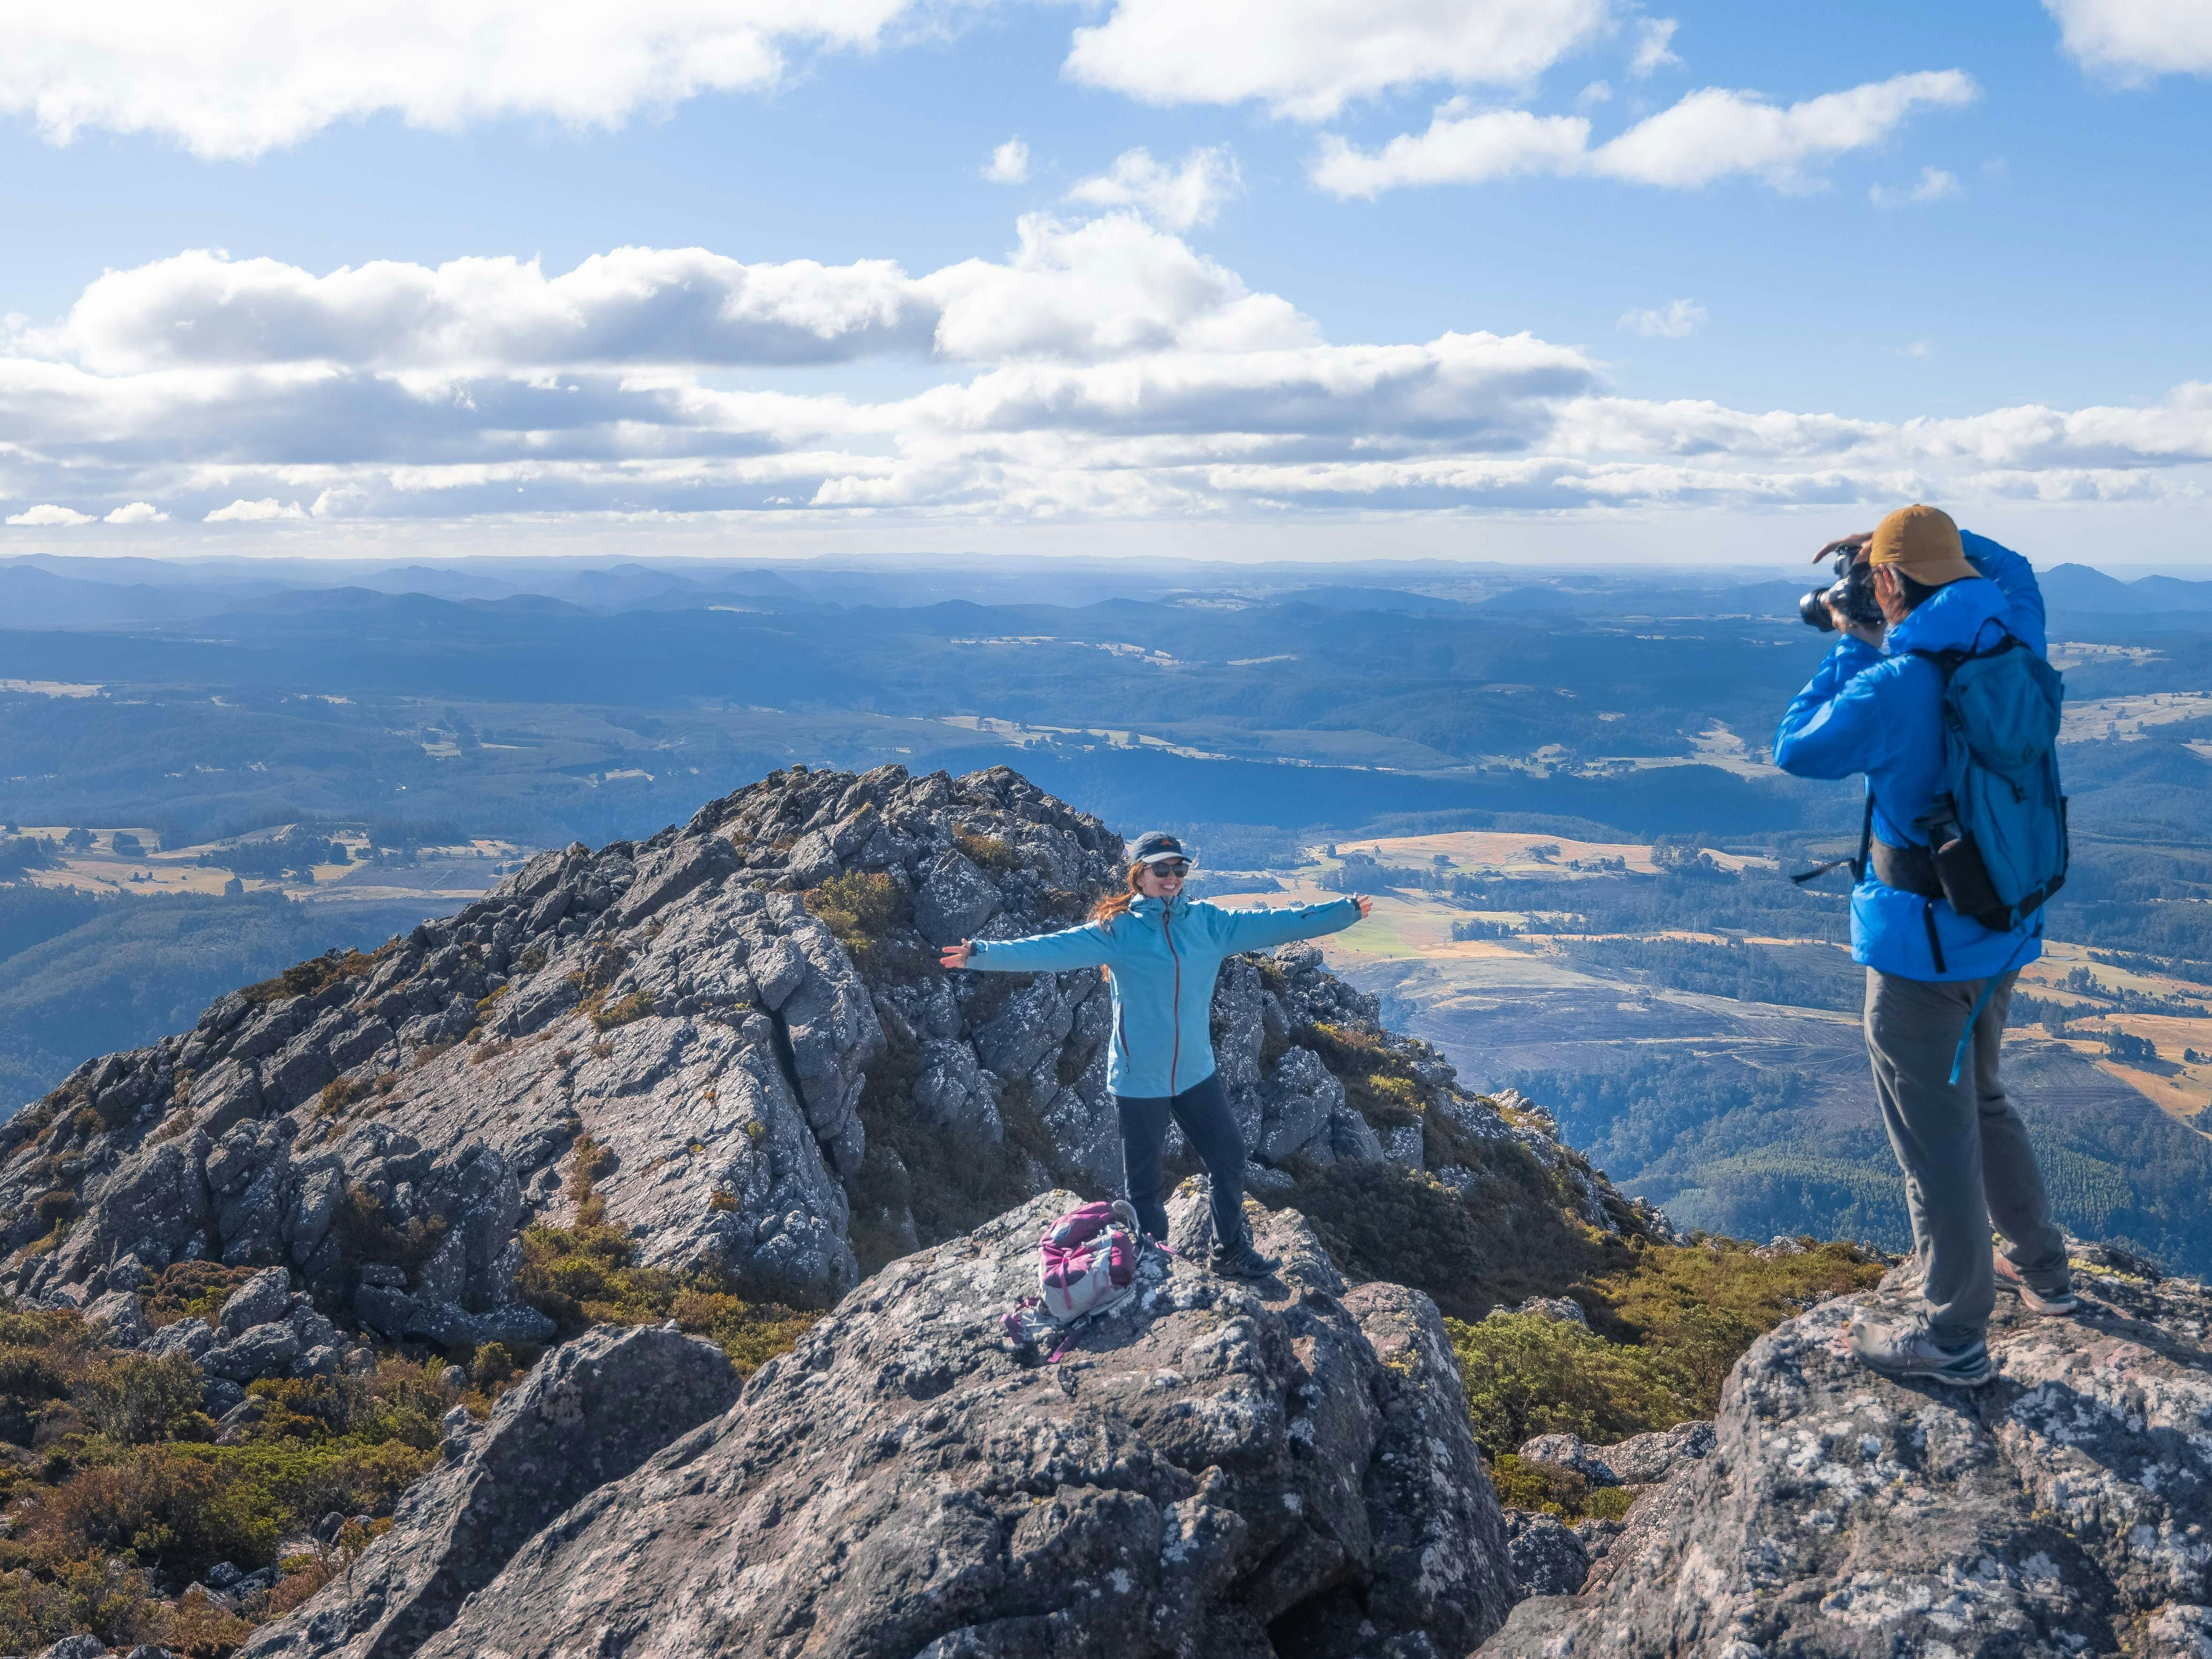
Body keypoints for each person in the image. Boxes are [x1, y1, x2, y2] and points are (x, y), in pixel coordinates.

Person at [1773, 503, 2076, 1388]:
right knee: (1981, 1096)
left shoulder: (1891, 681)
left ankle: (1951, 1334)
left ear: (1885, 584)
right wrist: (1897, 555)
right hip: (2002, 926)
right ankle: (2042, 1269)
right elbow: (2011, 563)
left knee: (1931, 1136)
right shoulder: (2013, 628)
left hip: (1924, 951)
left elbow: (1795, 747)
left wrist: (1850, 638)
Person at [939, 830, 1372, 1278]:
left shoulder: (1210, 923)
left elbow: (1280, 922)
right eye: (1160, 869)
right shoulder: (1119, 930)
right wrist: (981, 954)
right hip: (1138, 1078)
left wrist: (1343, 912)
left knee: (1228, 1158)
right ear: (1139, 876)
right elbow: (1052, 948)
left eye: (1178, 869)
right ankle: (1153, 1263)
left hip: (1195, 1072)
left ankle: (1230, 1250)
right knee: (1144, 1186)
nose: (1171, 877)